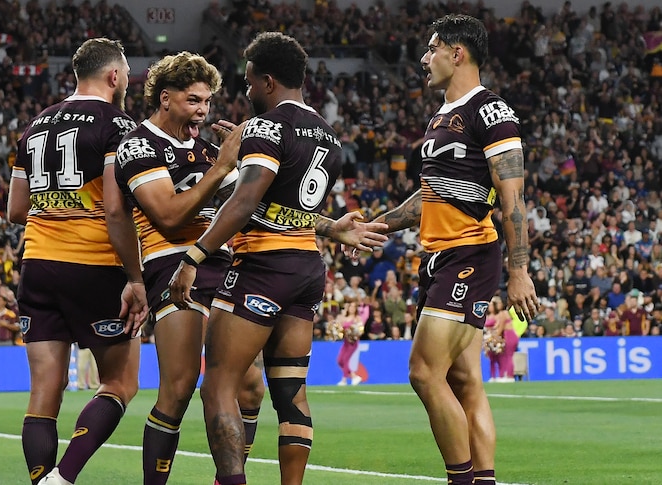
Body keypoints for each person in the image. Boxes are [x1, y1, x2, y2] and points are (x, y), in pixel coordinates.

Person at [168, 32, 388, 485]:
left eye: (249, 82)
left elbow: (246, 202)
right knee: (290, 393)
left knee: (219, 386)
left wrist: (194, 256)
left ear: (268, 81)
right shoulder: (331, 138)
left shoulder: (269, 126)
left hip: (262, 268)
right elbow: (293, 208)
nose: (246, 91)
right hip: (306, 269)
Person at [368, 15, 539, 484]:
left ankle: (460, 479)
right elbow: (429, 195)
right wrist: (373, 225)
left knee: (423, 372)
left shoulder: (491, 112)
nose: (424, 59)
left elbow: (513, 199)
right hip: (438, 256)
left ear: (456, 52)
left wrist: (518, 272)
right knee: (465, 383)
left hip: (469, 255)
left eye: (431, 49)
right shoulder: (441, 117)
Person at [114, 51, 266, 485]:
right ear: (165, 98)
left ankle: (228, 478)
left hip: (221, 263)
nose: (203, 111)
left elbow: (250, 207)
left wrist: (331, 228)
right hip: (171, 264)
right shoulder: (139, 145)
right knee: (178, 389)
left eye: (207, 102)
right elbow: (167, 215)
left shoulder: (206, 149)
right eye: (194, 101)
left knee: (252, 387)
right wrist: (221, 167)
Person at [7, 38, 148, 485]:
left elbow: (15, 209)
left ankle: (42, 480)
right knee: (120, 384)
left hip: (38, 262)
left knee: (44, 394)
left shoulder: (33, 127)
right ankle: (62, 478)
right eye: (126, 74)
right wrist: (135, 276)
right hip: (93, 264)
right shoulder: (118, 123)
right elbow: (115, 207)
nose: (127, 81)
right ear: (113, 76)